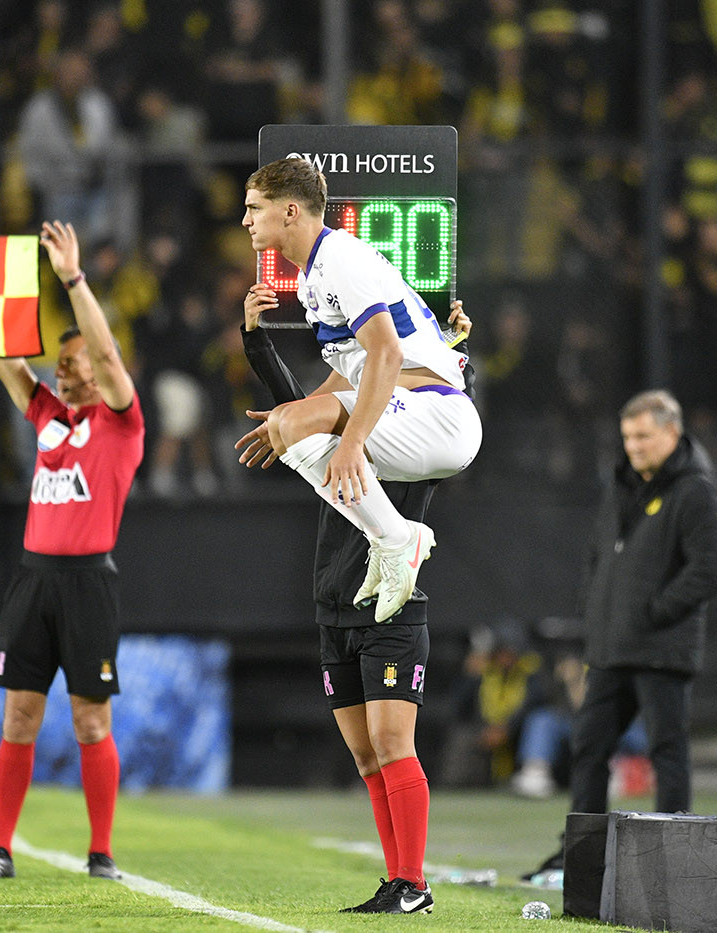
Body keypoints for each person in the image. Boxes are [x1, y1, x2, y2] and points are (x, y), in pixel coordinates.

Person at [235, 220, 475, 915]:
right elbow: (308, 408)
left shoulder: (413, 436)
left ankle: (413, 881)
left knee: (394, 744)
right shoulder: (352, 417)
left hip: (395, 603)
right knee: (367, 756)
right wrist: (257, 341)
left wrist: (454, 348)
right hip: (336, 596)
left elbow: (420, 388)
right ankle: (398, 879)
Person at [0, 215, 145, 882]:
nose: (61, 373)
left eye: (71, 364)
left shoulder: (123, 422)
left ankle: (101, 851)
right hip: (33, 579)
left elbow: (106, 352)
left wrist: (72, 277)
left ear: (97, 368)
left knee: (92, 723)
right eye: (60, 365)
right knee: (18, 716)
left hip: (88, 583)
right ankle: (1, 845)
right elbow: (4, 356)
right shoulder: (45, 413)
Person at [234, 156, 481, 626]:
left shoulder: (340, 258)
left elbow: (385, 353)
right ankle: (392, 540)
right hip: (415, 414)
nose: (245, 220)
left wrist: (351, 441)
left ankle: (396, 540)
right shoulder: (313, 274)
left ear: (290, 211)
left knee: (293, 422)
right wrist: (292, 421)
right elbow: (352, 374)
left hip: (441, 417)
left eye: (254, 207)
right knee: (286, 421)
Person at [527, 389, 717, 878]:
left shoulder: (695, 490)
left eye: (643, 436)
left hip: (662, 648)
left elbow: (710, 568)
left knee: (667, 751)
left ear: (671, 432)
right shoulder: (620, 484)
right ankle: (581, 855)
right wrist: (596, 615)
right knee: (589, 746)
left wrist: (655, 613)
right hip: (612, 647)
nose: (634, 446)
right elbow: (600, 555)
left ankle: (673, 855)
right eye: (628, 436)